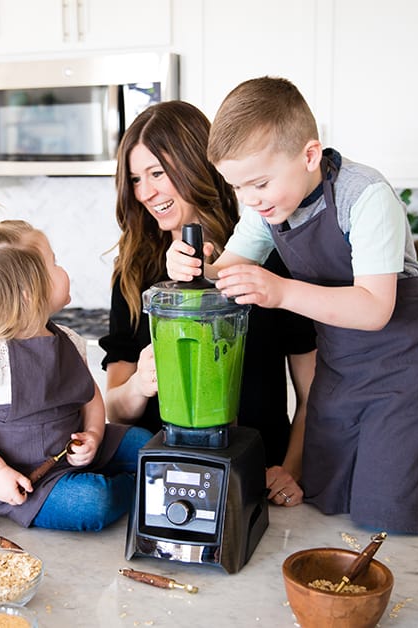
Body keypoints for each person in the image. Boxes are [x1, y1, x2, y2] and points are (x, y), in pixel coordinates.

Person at [167, 76, 418, 534]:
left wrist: (279, 291)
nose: (249, 200)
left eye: (258, 183)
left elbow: (374, 308)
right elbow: (224, 271)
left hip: (405, 361)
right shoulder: (268, 208)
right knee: (326, 491)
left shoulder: (365, 196)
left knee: (386, 507)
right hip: (342, 361)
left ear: (309, 155)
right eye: (238, 188)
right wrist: (193, 268)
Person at [99, 100, 317, 507]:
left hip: (256, 476)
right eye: (135, 179)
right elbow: (115, 409)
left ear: (197, 166)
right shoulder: (132, 273)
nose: (145, 193)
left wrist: (291, 469)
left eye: (157, 174)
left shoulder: (270, 259)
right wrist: (140, 383)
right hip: (163, 482)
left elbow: (313, 394)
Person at [0, 201, 152, 531]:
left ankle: (132, 481)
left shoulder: (68, 338)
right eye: (54, 264)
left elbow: (90, 397)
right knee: (93, 503)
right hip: (25, 478)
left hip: (70, 452)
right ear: (28, 292)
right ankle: (140, 489)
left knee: (145, 443)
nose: (63, 271)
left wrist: (95, 434)